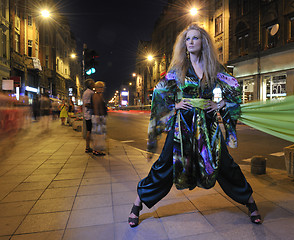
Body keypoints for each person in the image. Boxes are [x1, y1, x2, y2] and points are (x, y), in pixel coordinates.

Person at [128, 24, 261, 227]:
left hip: (208, 125)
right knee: (165, 163)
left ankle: (250, 202)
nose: (190, 42)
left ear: (203, 42)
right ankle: (138, 203)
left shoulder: (215, 68)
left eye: (195, 38)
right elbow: (159, 92)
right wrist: (175, 104)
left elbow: (234, 87)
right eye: (187, 39)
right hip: (182, 124)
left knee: (225, 164)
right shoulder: (178, 68)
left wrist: (220, 104)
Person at [91, 81, 107, 156]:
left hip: (100, 116)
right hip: (98, 117)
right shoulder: (96, 96)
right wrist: (98, 117)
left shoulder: (99, 95)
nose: (102, 89)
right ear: (96, 88)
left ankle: (98, 149)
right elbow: (96, 107)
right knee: (97, 134)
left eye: (102, 87)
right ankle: (96, 150)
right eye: (100, 87)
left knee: (100, 134)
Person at [82, 79, 95, 153]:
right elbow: (86, 104)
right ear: (90, 85)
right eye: (93, 83)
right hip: (89, 115)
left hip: (88, 114)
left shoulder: (87, 92)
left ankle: (88, 147)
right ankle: (88, 147)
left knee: (89, 131)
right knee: (89, 131)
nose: (94, 85)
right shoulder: (89, 93)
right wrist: (95, 107)